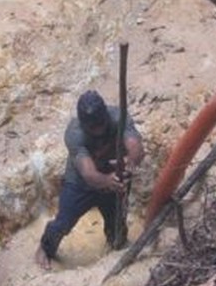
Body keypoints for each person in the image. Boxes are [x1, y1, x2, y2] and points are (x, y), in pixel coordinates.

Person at [34, 90, 145, 270]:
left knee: (117, 225)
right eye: (93, 128)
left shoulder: (119, 117)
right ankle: (45, 248)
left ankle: (115, 248)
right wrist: (107, 180)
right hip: (80, 185)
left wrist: (131, 160)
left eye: (101, 124)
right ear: (84, 124)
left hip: (113, 181)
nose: (99, 130)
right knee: (63, 222)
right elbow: (89, 174)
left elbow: (136, 147)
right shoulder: (74, 133)